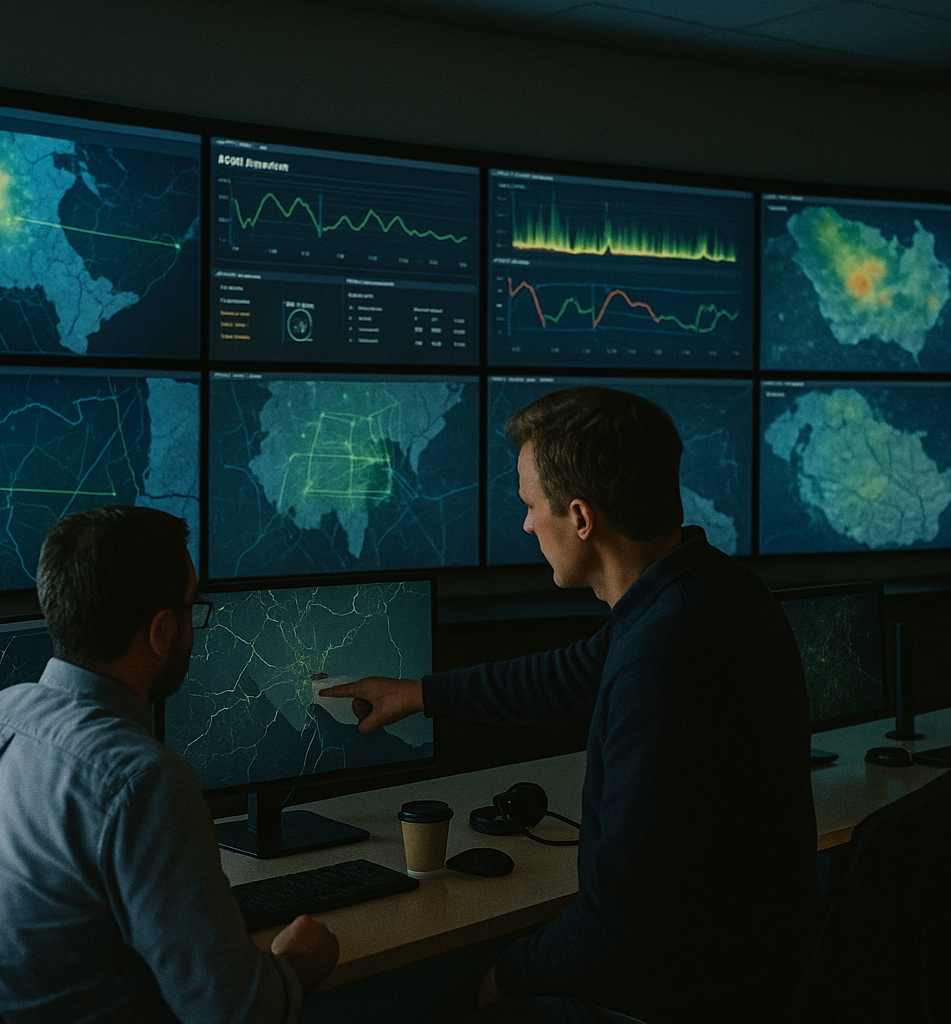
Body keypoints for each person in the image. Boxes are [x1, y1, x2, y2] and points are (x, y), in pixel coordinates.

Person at [320, 387, 819, 1024]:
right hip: (752, 971)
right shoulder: (711, 594)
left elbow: (622, 928)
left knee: (422, 997)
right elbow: (570, 674)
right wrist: (419, 695)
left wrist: (504, 976)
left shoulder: (663, 656)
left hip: (676, 998)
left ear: (581, 518)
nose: (526, 523)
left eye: (531, 505)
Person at [0, 505, 338, 1024]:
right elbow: (234, 1014)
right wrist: (296, 963)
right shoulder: (142, 780)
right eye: (193, 607)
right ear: (161, 632)